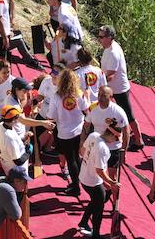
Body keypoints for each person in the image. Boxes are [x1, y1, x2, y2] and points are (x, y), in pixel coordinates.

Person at [97, 25, 143, 151]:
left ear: (109, 37)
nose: (98, 39)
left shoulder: (113, 53)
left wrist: (99, 80)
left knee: (128, 116)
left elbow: (110, 74)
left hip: (119, 89)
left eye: (101, 37)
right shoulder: (108, 47)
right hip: (112, 88)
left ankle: (139, 141)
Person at [49, 67, 90, 197]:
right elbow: (86, 110)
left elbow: (52, 115)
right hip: (78, 131)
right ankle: (79, 181)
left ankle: (76, 186)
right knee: (76, 158)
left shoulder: (56, 96)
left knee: (71, 159)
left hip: (64, 132)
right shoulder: (78, 93)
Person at [77, 124, 122, 239]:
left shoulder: (94, 135)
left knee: (96, 200)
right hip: (92, 181)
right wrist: (112, 182)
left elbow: (82, 150)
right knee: (99, 206)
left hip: (84, 175)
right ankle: (95, 234)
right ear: (111, 134)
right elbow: (99, 170)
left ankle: (83, 222)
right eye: (116, 138)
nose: (115, 141)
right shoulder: (103, 149)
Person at [82, 86, 129, 180]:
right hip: (97, 147)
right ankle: (104, 192)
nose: (100, 98)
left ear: (111, 97)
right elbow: (86, 125)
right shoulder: (93, 108)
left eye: (104, 96)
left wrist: (124, 150)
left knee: (112, 176)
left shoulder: (118, 111)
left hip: (113, 148)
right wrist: (82, 142)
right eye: (99, 95)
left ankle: (111, 193)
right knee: (97, 173)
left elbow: (126, 130)